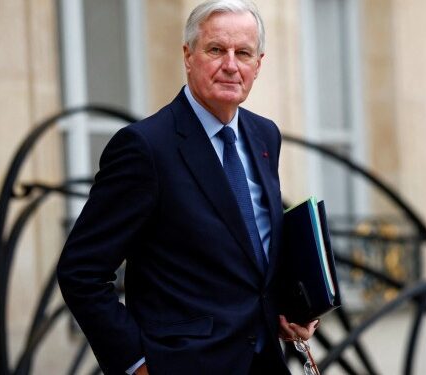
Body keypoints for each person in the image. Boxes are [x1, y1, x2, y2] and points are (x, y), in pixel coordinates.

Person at [57, 1, 317, 374]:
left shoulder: (265, 135)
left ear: (258, 64)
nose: (230, 64)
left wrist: (290, 308)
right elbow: (80, 271)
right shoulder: (145, 147)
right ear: (188, 55)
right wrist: (136, 364)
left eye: (243, 53)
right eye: (216, 50)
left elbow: (248, 254)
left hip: (265, 362)